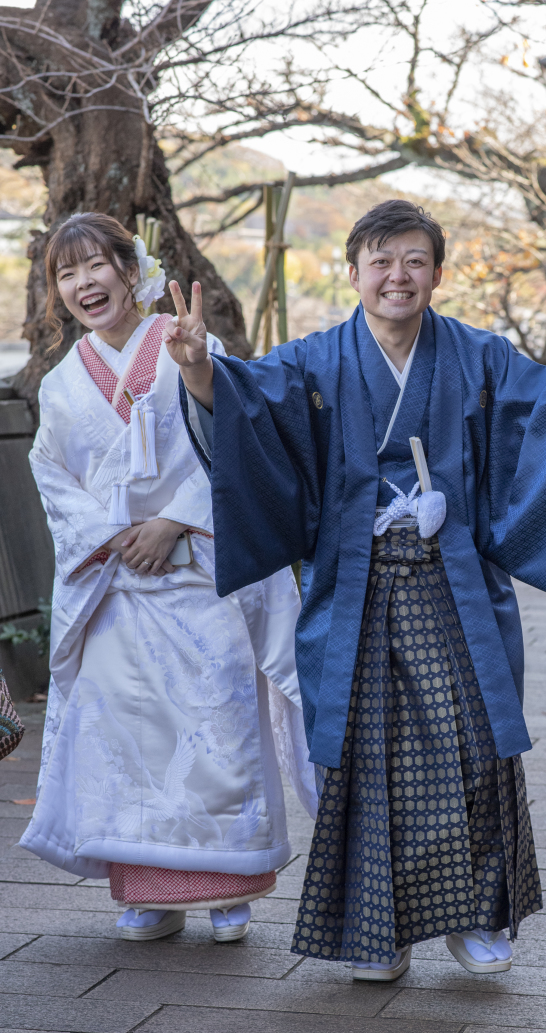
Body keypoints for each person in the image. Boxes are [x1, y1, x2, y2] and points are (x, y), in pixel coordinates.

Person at [165, 200, 546, 980]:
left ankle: (475, 920)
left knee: (475, 749)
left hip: (454, 588)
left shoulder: (479, 355)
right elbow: (246, 410)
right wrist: (196, 366)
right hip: (353, 592)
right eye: (381, 261)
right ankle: (377, 930)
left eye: (415, 260)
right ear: (352, 271)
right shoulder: (313, 360)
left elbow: (544, 411)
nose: (398, 276)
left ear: (437, 273)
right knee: (363, 758)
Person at [21, 213, 315, 944]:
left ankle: (226, 889)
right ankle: (145, 891)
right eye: (66, 273)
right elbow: (53, 477)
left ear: (130, 269)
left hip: (201, 577)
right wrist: (114, 535)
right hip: (118, 586)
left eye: (96, 266)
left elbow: (242, 445)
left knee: (217, 729)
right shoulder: (61, 387)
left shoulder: (191, 346)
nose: (84, 283)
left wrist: (176, 518)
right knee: (129, 741)